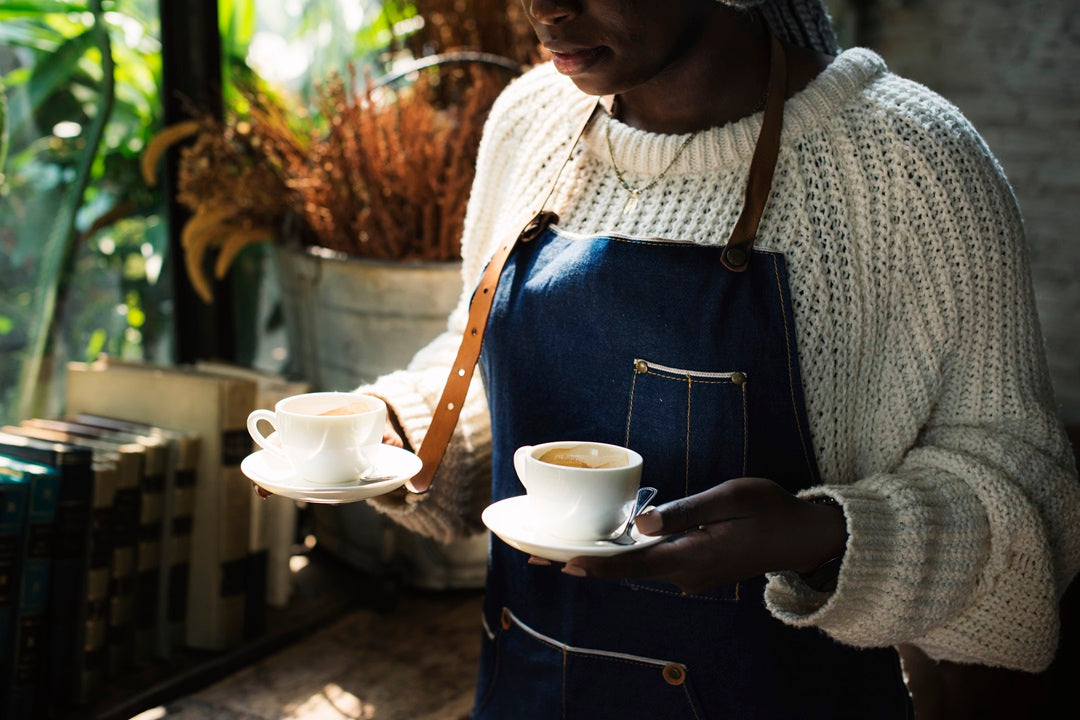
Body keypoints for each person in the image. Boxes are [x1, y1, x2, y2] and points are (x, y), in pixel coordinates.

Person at [353, 1, 1080, 717]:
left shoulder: (907, 163)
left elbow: (1025, 497)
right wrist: (405, 429)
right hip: (521, 690)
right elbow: (485, 359)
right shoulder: (528, 123)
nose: (544, 6)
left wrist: (826, 535)